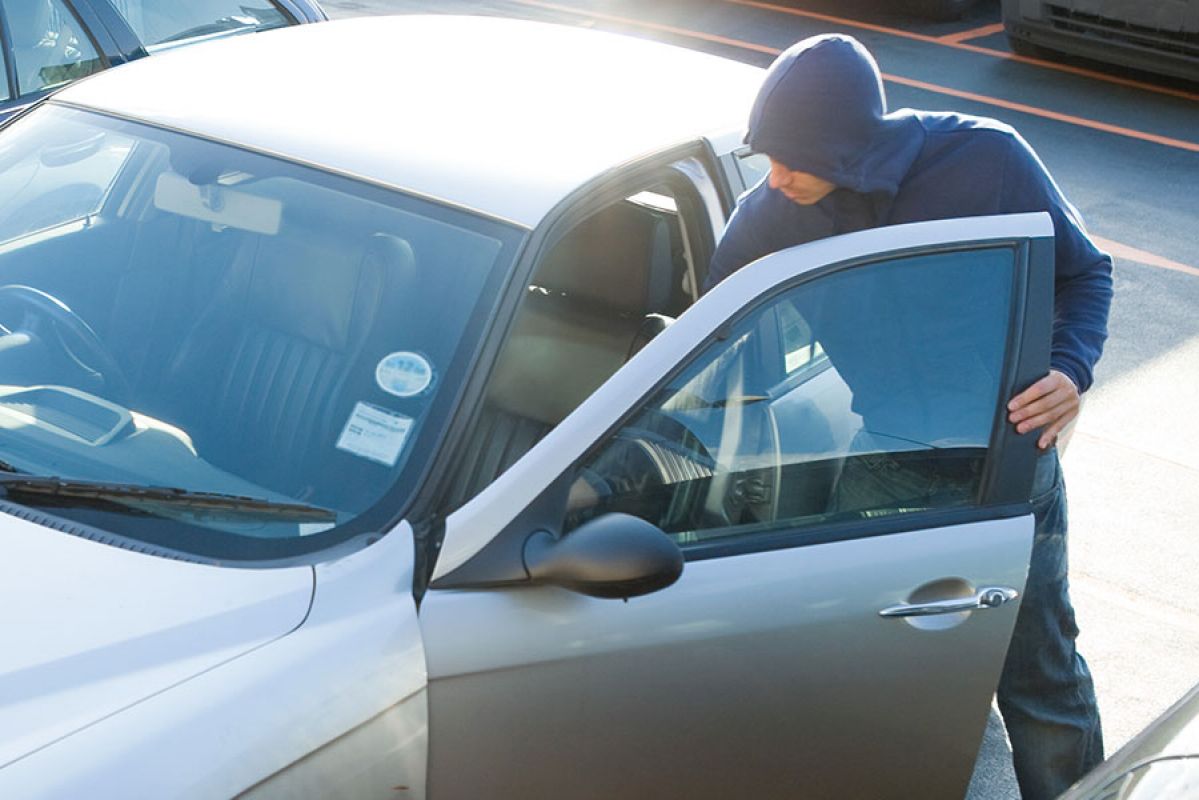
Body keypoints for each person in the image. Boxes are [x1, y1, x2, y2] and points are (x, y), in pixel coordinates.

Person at [705, 34, 1112, 800]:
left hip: (1006, 459)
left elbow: (1084, 272)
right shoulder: (767, 219)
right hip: (878, 462)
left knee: (1038, 674)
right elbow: (708, 339)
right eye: (768, 157)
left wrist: (1069, 369)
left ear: (851, 144)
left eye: (796, 158)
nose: (777, 176)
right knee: (867, 681)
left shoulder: (986, 160)